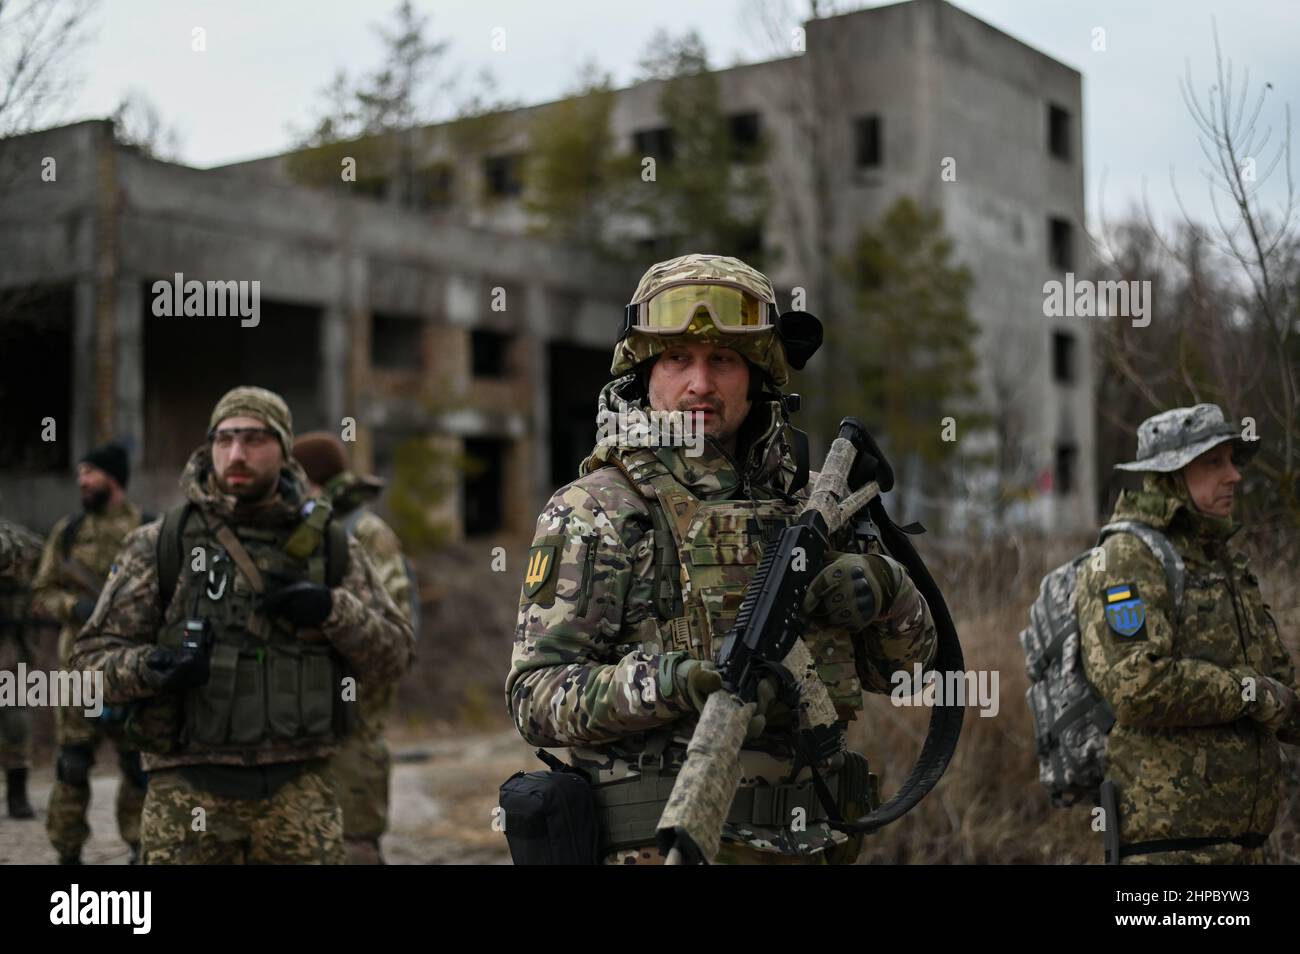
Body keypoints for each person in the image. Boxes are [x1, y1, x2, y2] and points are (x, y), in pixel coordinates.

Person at [506, 253, 938, 864]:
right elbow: (536, 699)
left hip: (819, 844)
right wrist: (671, 682)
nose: (700, 384)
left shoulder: (817, 503)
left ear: (758, 374)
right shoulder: (601, 508)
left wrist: (887, 593)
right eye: (678, 358)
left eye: (723, 360)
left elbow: (904, 676)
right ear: (646, 372)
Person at [71, 387, 415, 864]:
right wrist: (152, 666)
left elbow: (396, 656)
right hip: (186, 793)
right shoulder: (160, 544)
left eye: (254, 439)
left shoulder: (332, 546)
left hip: (300, 792)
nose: (236, 454)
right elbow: (86, 666)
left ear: (284, 449)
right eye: (225, 439)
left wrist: (332, 610)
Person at [1079, 403, 1299, 864]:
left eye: (1232, 460)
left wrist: (1274, 698)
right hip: (1169, 850)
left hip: (1246, 848)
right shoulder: (1127, 556)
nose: (1234, 475)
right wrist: (1250, 692)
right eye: (1214, 462)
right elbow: (1136, 685)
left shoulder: (1223, 562)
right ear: (1170, 475)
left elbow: (1281, 690)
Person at [293, 430, 417, 865]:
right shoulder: (310, 527)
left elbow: (392, 627)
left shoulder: (365, 532)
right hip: (312, 712)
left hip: (357, 710)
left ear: (313, 481)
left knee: (354, 843)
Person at [31, 442, 147, 863]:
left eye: (90, 472)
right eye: (80, 472)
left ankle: (140, 843)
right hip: (77, 670)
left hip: (131, 668)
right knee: (73, 764)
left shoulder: (147, 530)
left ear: (114, 479)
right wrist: (74, 607)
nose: (82, 480)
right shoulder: (69, 531)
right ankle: (67, 850)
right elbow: (42, 592)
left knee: (138, 763)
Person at [0, 513, 45, 819]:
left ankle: (18, 794)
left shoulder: (12, 540)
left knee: (15, 717)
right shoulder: (25, 539)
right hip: (14, 643)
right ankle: (18, 796)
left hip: (9, 644)